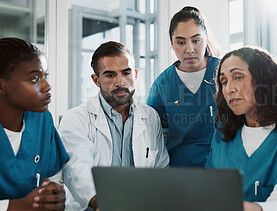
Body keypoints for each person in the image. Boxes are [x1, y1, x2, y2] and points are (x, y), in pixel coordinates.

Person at [59, 41, 169, 210]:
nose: (120, 82)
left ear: (136, 74)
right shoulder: (76, 119)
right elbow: (77, 171)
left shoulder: (150, 116)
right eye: (110, 75)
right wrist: (102, 203)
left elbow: (160, 168)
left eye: (126, 73)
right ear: (96, 80)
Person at [207, 47, 277, 211]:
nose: (229, 89)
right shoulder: (222, 137)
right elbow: (209, 193)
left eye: (238, 77)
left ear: (264, 81)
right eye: (224, 81)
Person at [0, 37, 69, 211]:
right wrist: (15, 206)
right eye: (34, 79)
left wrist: (55, 196)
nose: (47, 86)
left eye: (44, 76)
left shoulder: (42, 120)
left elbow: (54, 178)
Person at [146, 6, 220, 167]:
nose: (189, 49)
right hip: (179, 175)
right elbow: (152, 136)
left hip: (222, 171)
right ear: (172, 44)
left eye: (196, 40)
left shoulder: (224, 73)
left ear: (206, 38)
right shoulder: (162, 84)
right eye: (181, 42)